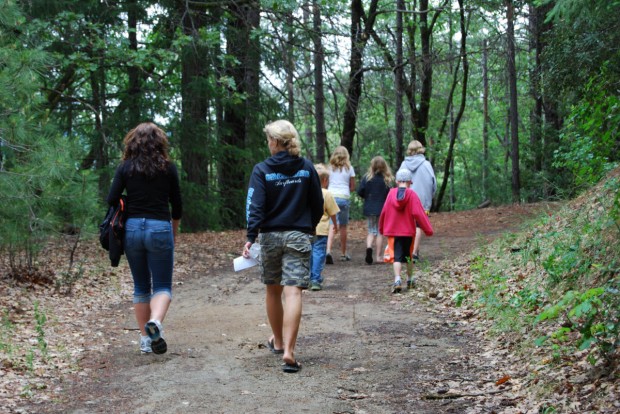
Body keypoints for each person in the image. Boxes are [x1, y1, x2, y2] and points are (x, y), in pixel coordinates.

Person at [242, 120, 323, 373]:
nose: (268, 144)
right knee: (294, 292)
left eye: (269, 139)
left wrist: (251, 236)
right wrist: (307, 227)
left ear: (276, 142)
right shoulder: (306, 167)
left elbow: (255, 206)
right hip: (299, 234)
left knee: (273, 291)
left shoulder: (262, 170)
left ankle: (277, 341)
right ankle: (288, 351)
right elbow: (318, 203)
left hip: (270, 237)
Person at [106, 122, 183, 355]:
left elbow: (111, 199)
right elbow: (177, 205)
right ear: (160, 142)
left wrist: (127, 204)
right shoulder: (168, 168)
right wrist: (174, 230)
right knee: (162, 285)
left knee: (141, 286)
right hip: (160, 227)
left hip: (131, 230)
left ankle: (145, 340)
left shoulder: (125, 167)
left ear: (133, 142)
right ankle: (156, 323)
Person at [379, 169, 433, 293]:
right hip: (408, 232)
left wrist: (382, 228)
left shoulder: (391, 194)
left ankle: (397, 279)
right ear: (410, 182)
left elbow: (384, 212)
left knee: (397, 257)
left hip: (394, 231)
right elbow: (419, 214)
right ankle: (409, 279)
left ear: (397, 181)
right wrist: (428, 229)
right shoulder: (412, 194)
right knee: (408, 257)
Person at [399, 140, 437, 262]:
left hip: (406, 199)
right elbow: (433, 183)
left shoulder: (404, 165)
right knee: (418, 226)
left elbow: (398, 180)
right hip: (422, 200)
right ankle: (414, 253)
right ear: (421, 149)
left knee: (408, 225)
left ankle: (411, 250)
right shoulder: (426, 164)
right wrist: (430, 197)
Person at [357, 156, 393, 265]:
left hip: (369, 208)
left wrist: (367, 196)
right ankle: (378, 256)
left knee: (371, 230)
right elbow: (390, 195)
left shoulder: (367, 178)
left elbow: (359, 191)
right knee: (379, 232)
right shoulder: (386, 179)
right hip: (382, 209)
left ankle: (369, 247)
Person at [310, 164, 340, 291]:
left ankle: (308, 277)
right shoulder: (327, 194)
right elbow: (332, 212)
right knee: (318, 253)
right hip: (321, 230)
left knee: (309, 253)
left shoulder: (307, 192)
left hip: (307, 228)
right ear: (325, 180)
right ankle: (315, 279)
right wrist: (335, 225)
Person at [325, 146, 356, 263]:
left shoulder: (329, 169)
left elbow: (326, 184)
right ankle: (343, 253)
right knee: (343, 226)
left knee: (332, 225)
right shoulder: (350, 169)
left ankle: (328, 250)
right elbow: (352, 187)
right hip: (344, 198)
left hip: (331, 197)